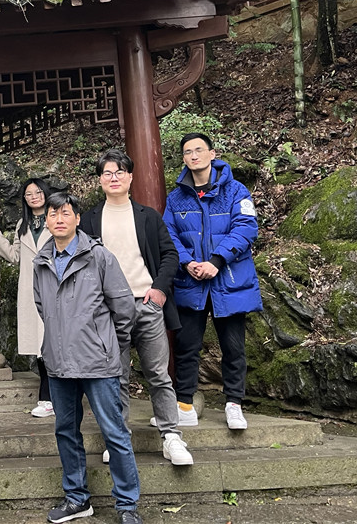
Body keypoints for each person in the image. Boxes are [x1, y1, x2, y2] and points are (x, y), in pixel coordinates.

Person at [33, 192, 143, 524]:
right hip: (58, 363)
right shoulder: (42, 261)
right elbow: (42, 307)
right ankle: (77, 499)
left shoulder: (98, 256)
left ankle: (127, 505)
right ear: (46, 221)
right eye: (53, 214)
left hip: (98, 362)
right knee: (66, 430)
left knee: (114, 432)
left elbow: (124, 309)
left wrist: (108, 344)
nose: (59, 219)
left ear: (78, 219)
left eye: (65, 213)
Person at [79, 150, 193, 467]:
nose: (113, 177)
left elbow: (170, 255)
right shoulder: (88, 220)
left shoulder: (148, 216)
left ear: (130, 177)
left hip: (146, 303)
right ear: (100, 180)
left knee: (158, 374)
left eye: (120, 172)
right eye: (107, 173)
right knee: (115, 376)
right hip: (108, 310)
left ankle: (171, 436)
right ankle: (118, 438)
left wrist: (159, 290)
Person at [163, 133, 262, 431]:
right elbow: (168, 234)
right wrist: (187, 262)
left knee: (233, 346)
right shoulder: (176, 197)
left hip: (228, 279)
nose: (193, 156)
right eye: (187, 152)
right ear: (183, 158)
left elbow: (246, 228)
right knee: (187, 346)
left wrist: (217, 261)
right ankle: (185, 405)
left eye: (199, 150)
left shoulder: (236, 191)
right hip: (190, 280)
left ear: (212, 153)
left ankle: (234, 404)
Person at [0, 177, 54, 417]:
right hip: (29, 289)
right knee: (40, 345)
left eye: (38, 192)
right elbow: (15, 256)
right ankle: (47, 398)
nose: (34, 197)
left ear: (45, 193)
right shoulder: (22, 224)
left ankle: (52, 397)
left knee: (53, 342)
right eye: (29, 194)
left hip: (54, 287)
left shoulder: (56, 218)